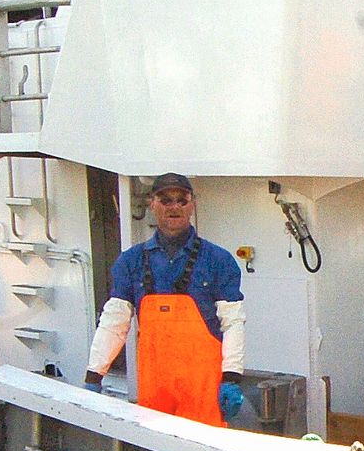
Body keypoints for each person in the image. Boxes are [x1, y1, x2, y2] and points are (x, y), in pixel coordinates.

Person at [85, 173, 246, 427]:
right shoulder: (131, 261)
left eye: (182, 200)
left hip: (203, 393)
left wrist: (232, 377)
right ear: (152, 203)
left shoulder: (218, 260)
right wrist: (94, 376)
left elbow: (233, 323)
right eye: (166, 199)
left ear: (192, 205)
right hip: (154, 393)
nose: (174, 207)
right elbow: (113, 323)